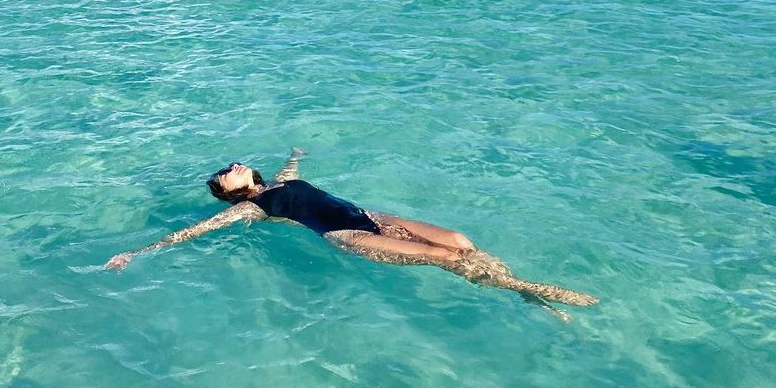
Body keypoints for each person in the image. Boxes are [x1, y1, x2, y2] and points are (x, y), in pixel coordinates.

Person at [104, 149, 598, 320]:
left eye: (232, 165)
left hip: (367, 213)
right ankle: (529, 290)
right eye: (224, 173)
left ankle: (516, 288)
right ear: (231, 193)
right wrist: (136, 251)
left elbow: (291, 167)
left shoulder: (281, 181)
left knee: (459, 241)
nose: (230, 166)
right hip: (346, 234)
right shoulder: (251, 210)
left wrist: (298, 152)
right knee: (445, 260)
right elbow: (192, 231)